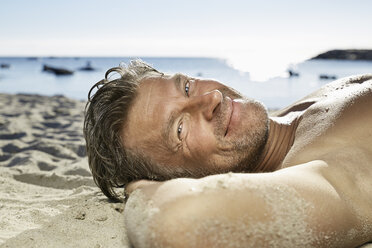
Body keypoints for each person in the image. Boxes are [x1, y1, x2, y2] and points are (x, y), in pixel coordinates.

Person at [84, 60, 372, 247]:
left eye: (186, 87)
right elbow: (174, 219)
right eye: (180, 129)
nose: (211, 99)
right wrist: (142, 187)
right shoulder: (328, 167)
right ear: (179, 178)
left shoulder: (289, 117)